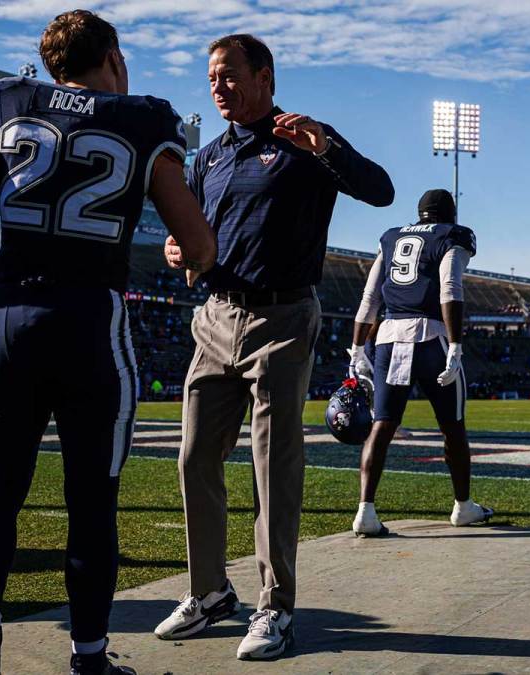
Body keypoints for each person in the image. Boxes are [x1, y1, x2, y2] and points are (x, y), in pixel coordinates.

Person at [0, 10, 217, 675]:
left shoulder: (12, 101)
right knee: (91, 500)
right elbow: (201, 245)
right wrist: (189, 249)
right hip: (89, 321)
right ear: (114, 58)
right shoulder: (144, 117)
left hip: (9, 320)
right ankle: (88, 657)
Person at [155, 34, 393, 661]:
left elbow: (382, 190)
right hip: (214, 317)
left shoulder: (305, 141)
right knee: (194, 459)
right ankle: (209, 593)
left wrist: (330, 148)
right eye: (211, 76)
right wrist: (178, 250)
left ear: (265, 77)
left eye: (229, 75)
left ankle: (275, 606)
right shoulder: (207, 158)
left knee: (272, 466)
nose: (217, 85)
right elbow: (191, 243)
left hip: (284, 316)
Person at [347, 189, 493, 537]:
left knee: (382, 425)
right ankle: (463, 506)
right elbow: (450, 288)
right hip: (431, 336)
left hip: (388, 336)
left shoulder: (391, 237)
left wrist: (355, 349)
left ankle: (365, 511)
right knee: (452, 426)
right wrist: (455, 344)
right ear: (450, 213)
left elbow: (370, 297)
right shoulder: (451, 236)